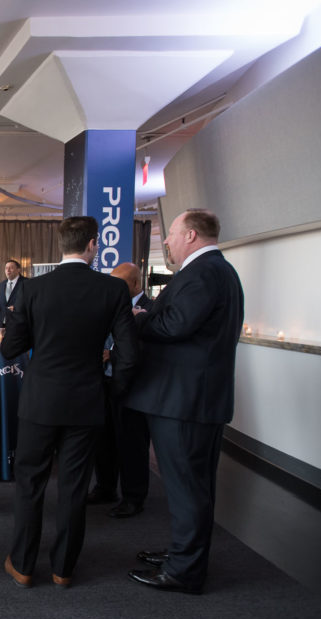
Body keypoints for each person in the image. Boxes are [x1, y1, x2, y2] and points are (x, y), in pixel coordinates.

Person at [1, 217, 138, 589]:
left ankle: (23, 565)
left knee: (30, 483)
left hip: (40, 401)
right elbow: (128, 353)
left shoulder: (32, 289)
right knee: (74, 487)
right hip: (86, 400)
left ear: (60, 245)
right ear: (93, 244)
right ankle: (63, 568)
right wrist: (113, 392)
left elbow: (11, 349)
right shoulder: (113, 289)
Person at [125, 209, 244, 595]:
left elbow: (174, 325)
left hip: (184, 401)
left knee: (187, 488)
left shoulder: (204, 272)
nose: (167, 240)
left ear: (191, 235)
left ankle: (185, 570)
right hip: (193, 398)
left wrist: (137, 317)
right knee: (193, 485)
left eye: (172, 233)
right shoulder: (216, 270)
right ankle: (184, 554)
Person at [88, 262, 153, 518]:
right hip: (104, 384)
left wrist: (111, 355)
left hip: (132, 388)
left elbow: (145, 351)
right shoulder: (110, 307)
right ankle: (105, 488)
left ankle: (134, 497)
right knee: (103, 440)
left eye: (120, 284)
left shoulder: (151, 310)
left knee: (132, 444)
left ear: (135, 284)